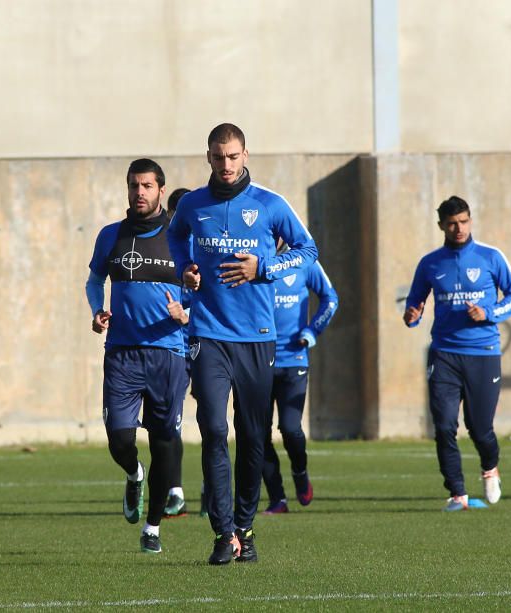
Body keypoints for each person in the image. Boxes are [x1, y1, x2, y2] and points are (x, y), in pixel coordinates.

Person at [168, 123, 318, 564]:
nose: (226, 165)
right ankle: (222, 533)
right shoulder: (194, 204)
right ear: (208, 157)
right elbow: (177, 238)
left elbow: (307, 249)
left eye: (233, 157)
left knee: (254, 437)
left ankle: (245, 528)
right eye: (218, 157)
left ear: (246, 155)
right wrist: (186, 269)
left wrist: (264, 267)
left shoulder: (270, 204)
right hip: (209, 334)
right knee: (214, 429)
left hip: (257, 338)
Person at [86, 159, 188, 554]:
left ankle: (153, 527)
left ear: (161, 190)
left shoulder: (181, 237)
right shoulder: (111, 235)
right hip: (123, 355)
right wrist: (97, 309)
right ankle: (133, 474)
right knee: (120, 439)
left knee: (164, 443)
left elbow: (206, 289)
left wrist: (187, 312)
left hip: (168, 355)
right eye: (134, 185)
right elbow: (95, 279)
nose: (139, 193)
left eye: (147, 185)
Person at [403, 196, 511, 511]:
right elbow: (415, 305)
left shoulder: (491, 258)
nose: (459, 228)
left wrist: (488, 313)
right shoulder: (430, 263)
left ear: (470, 221)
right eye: (452, 223)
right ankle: (457, 493)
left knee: (480, 429)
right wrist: (412, 316)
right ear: (441, 226)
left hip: (483, 352)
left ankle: (490, 467)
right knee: (444, 425)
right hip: (445, 354)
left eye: (464, 221)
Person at [261, 249, 338, 514]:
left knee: (291, 428)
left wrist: (312, 330)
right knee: (258, 435)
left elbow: (330, 298)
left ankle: (300, 471)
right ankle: (277, 499)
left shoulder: (303, 262)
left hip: (294, 360)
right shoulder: (250, 260)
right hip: (258, 360)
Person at [163, 187, 191, 519]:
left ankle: (211, 491)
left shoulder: (206, 247)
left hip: (207, 342)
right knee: (172, 423)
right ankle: (176, 491)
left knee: (214, 423)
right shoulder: (166, 249)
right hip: (175, 348)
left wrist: (188, 315)